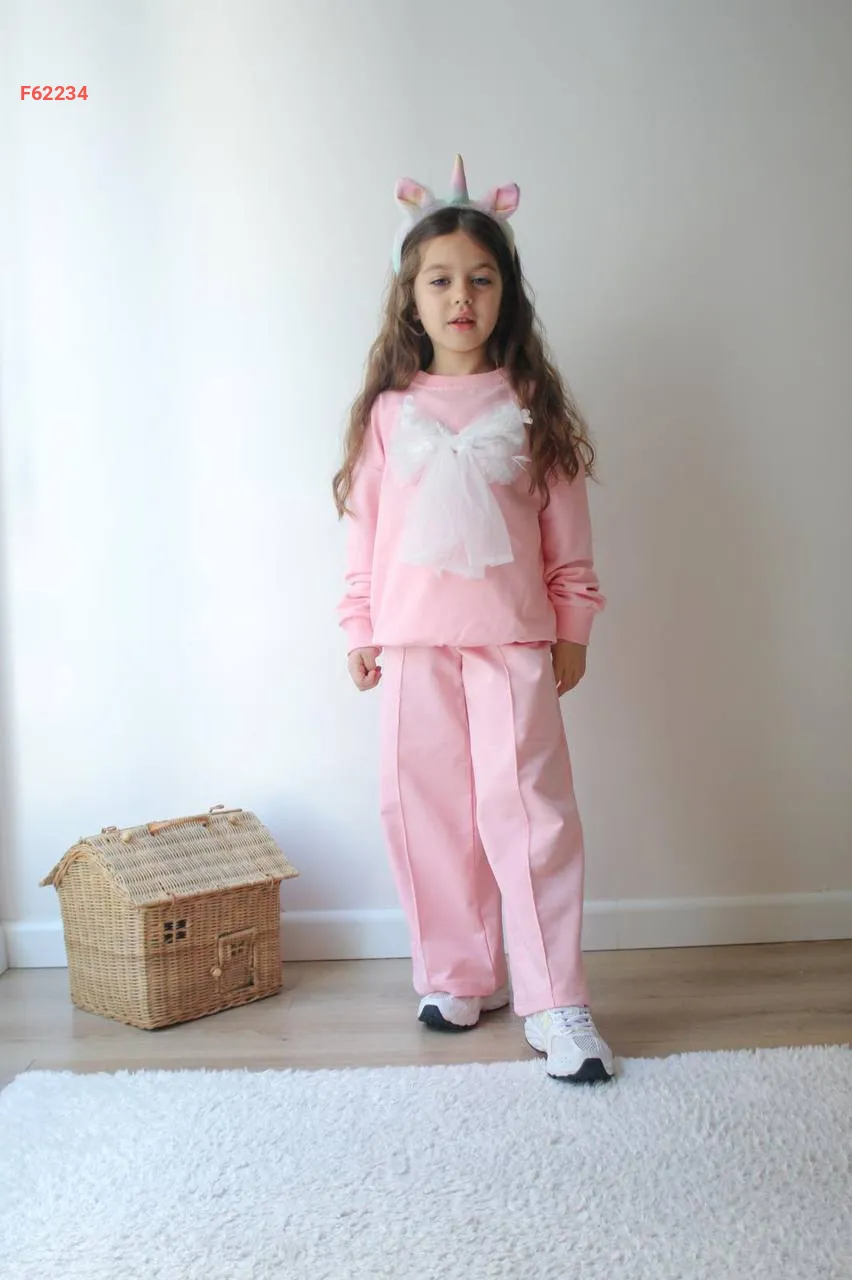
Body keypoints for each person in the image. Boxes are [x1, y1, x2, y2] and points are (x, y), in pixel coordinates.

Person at [333, 155, 615, 1084]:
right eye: (441, 280)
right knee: (421, 812)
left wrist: (572, 627)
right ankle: (458, 973)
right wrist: (360, 626)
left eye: (481, 279)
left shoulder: (531, 407)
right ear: (411, 297)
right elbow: (365, 532)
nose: (462, 297)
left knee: (530, 816)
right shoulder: (388, 414)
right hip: (413, 643)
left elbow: (567, 537)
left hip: (512, 642)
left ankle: (555, 998)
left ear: (507, 292)